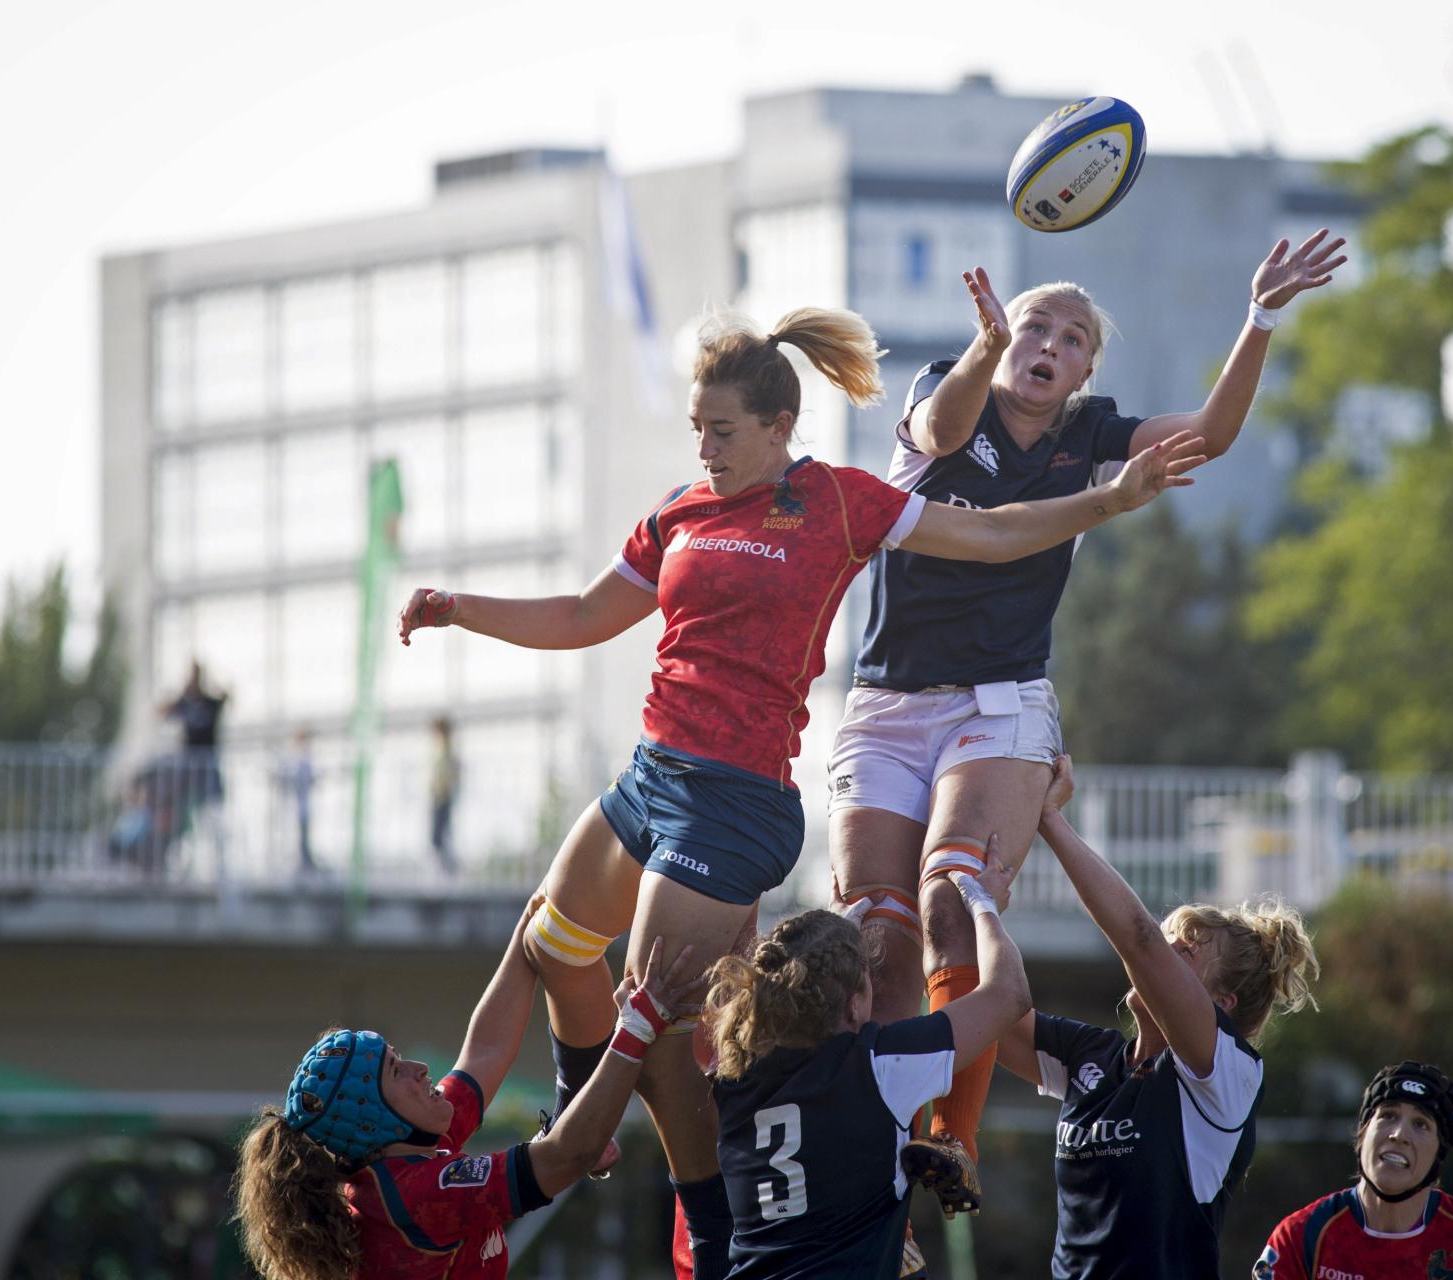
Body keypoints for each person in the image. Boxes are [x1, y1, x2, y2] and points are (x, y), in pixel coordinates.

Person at [397, 306, 1205, 1278]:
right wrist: (456, 608)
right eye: (696, 427)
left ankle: (709, 1227)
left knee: (655, 1016)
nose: (704, 447)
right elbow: (579, 613)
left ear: (779, 425)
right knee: (548, 938)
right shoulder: (678, 507)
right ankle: (586, 1118)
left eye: (722, 430)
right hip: (652, 771)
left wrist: (1107, 501)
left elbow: (990, 535)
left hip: (734, 802)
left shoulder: (837, 503)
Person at [826, 230, 1348, 1221]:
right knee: (871, 941)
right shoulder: (949, 385)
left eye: (1070, 338)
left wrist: (1259, 317)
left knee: (951, 897)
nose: (1048, 343)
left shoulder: (1086, 431)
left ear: (1082, 374)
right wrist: (980, 347)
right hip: (886, 705)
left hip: (998, 701)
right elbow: (936, 433)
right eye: (1034, 325)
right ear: (999, 332)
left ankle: (951, 1137)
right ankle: (876, 1186)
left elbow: (1211, 433)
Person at [233, 906, 700, 1280]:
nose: (420, 1070)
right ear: (372, 1119)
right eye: (396, 1071)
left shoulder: (410, 1145)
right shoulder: (414, 1195)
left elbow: (485, 1053)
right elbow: (566, 1157)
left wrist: (527, 934)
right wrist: (637, 1027)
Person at [991, 756, 1319, 1278]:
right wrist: (974, 902)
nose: (1164, 954)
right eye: (1169, 942)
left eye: (1184, 952)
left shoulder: (1225, 1073)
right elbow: (992, 1016)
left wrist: (1049, 818)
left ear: (1223, 1005)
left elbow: (1140, 941)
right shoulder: (1092, 1057)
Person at [707, 851, 1030, 1278]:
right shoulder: (877, 1065)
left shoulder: (734, 1078)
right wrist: (984, 905)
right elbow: (1009, 994)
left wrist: (826, 940)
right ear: (855, 1004)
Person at [1254, 1062, 1453, 1280]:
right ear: (1362, 1133)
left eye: (1421, 1124)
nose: (1399, 1134)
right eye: (1388, 1115)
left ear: (1439, 1152)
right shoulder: (1303, 1235)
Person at [162, 659, 230, 812]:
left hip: (208, 760)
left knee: (214, 804)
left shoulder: (210, 702)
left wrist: (211, 680)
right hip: (189, 761)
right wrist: (182, 691)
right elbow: (162, 711)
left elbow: (227, 697)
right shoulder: (184, 703)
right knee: (184, 799)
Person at [279, 728, 318, 876]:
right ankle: (302, 862)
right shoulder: (295, 758)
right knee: (299, 835)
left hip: (303, 806)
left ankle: (305, 862)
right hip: (296, 807)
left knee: (304, 834)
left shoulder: (306, 758)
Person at [430, 717, 460, 875]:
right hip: (439, 795)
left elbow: (448, 774)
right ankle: (445, 868)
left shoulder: (446, 751)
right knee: (440, 833)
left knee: (440, 833)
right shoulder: (441, 749)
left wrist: (442, 788)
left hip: (442, 796)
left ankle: (446, 869)